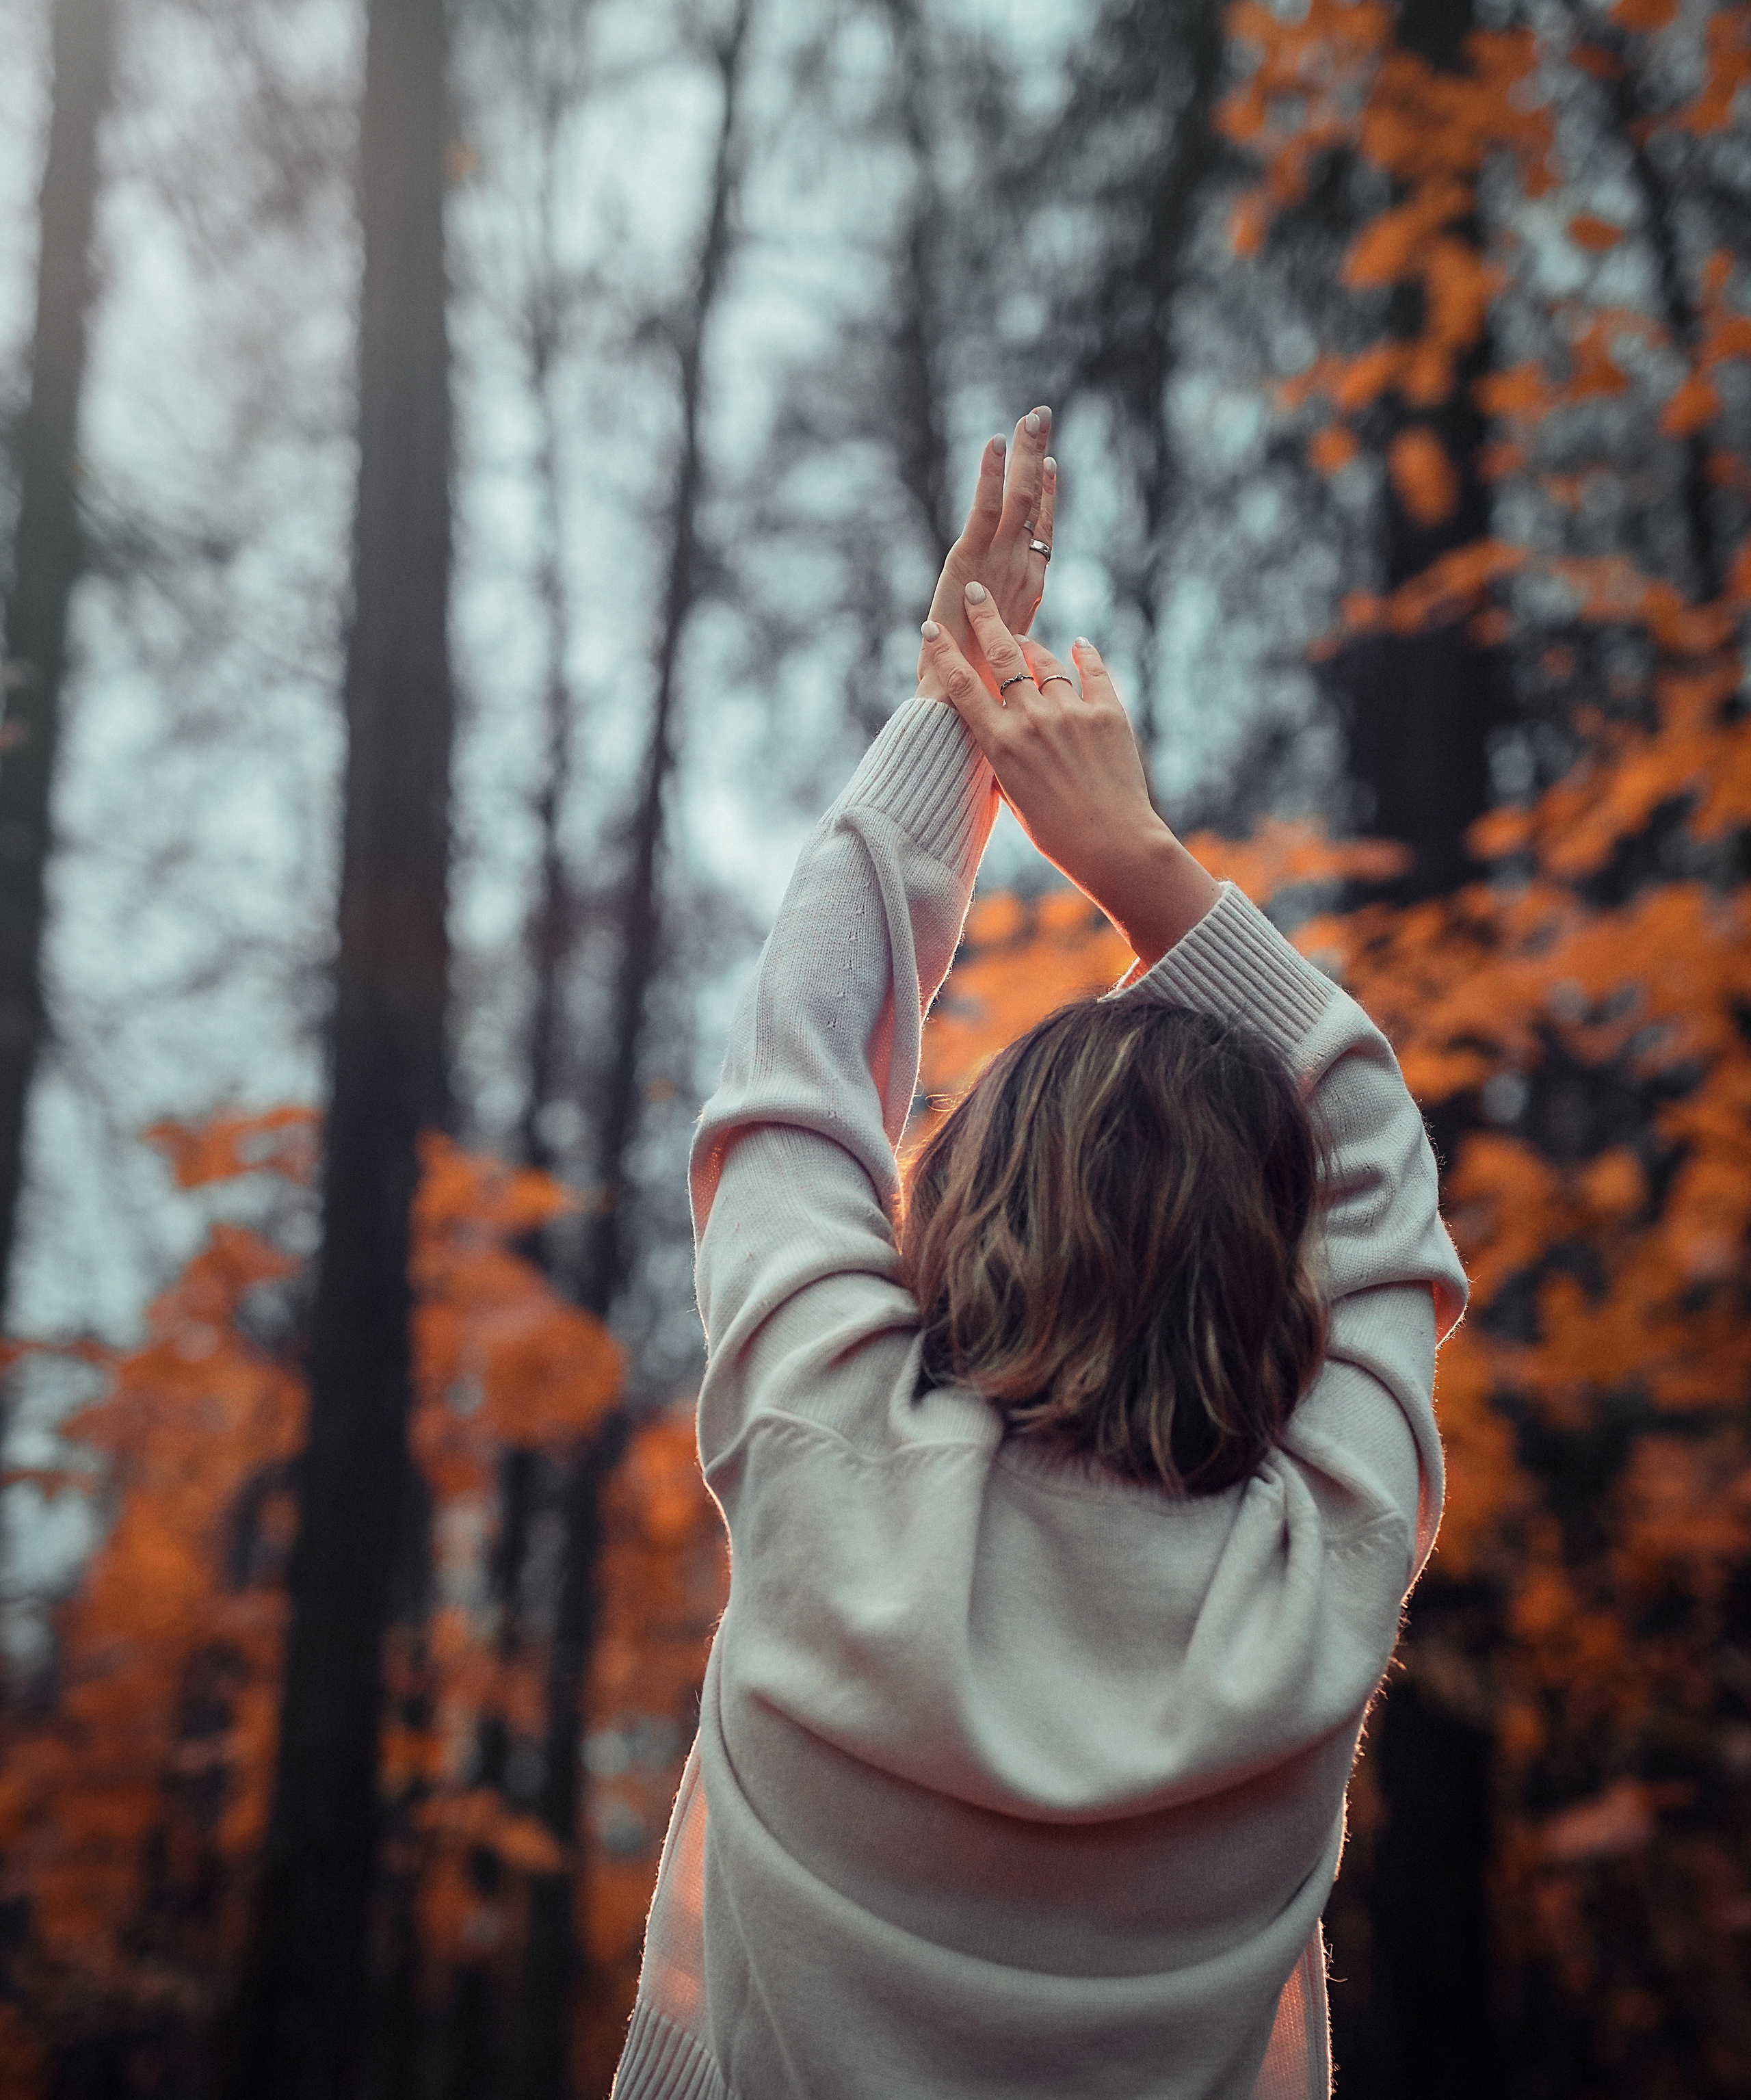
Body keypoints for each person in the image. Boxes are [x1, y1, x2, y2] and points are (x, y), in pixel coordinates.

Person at [611, 408, 1468, 2100]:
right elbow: (1380, 1159)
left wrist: (957, 715)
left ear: (959, 1213)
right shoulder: (1315, 1578)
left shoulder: (823, 1445)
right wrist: (1139, 865)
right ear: (1268, 1279)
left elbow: (797, 1040)